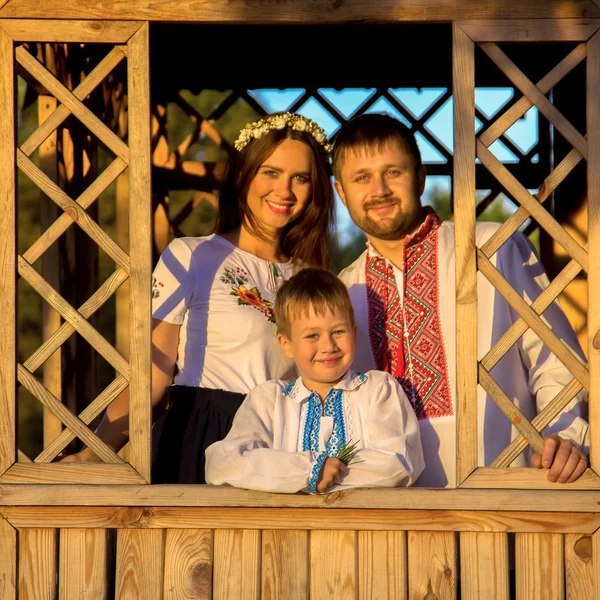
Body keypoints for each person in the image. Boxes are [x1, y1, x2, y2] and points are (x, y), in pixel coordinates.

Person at [62, 112, 335, 484]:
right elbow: (152, 375)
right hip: (204, 433)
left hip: (282, 446)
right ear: (243, 175)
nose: (285, 191)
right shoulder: (191, 256)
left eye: (300, 178)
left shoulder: (310, 277)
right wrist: (94, 451)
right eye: (270, 172)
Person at [334, 112, 589, 488]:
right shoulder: (345, 291)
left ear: (420, 177)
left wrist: (565, 439)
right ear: (341, 192)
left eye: (393, 172)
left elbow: (554, 360)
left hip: (504, 490)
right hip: (390, 511)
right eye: (362, 178)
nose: (380, 190)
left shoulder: (490, 247)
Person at [205, 268, 424, 493]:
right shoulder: (269, 400)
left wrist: (318, 477)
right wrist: (308, 471)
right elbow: (223, 463)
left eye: (338, 331)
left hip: (366, 527)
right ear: (286, 345)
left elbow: (399, 463)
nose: (328, 347)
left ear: (354, 333)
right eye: (313, 336)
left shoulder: (377, 390)